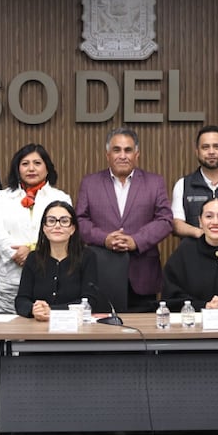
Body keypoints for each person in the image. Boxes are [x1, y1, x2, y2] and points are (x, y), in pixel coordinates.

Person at [76, 127, 174, 312]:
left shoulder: (154, 182)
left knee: (143, 335)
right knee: (103, 335)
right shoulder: (90, 183)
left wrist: (136, 240)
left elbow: (165, 219)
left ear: (137, 154)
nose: (122, 155)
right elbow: (79, 220)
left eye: (128, 150)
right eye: (116, 150)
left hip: (142, 276)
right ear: (107, 155)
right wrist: (104, 238)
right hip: (101, 274)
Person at [0, 144, 72, 312]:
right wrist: (16, 254)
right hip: (11, 275)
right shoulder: (3, 197)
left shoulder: (60, 197)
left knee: (45, 321)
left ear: (47, 168)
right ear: (17, 168)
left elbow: (63, 233)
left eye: (37, 163)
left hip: (46, 274)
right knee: (10, 329)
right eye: (25, 163)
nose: (31, 168)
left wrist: (32, 253)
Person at [15, 201, 99, 320]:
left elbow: (90, 301)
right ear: (44, 228)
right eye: (51, 221)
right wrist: (33, 309)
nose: (57, 226)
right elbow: (21, 300)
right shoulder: (33, 258)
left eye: (64, 221)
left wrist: (52, 311)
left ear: (73, 229)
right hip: (38, 328)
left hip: (75, 327)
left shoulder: (87, 256)